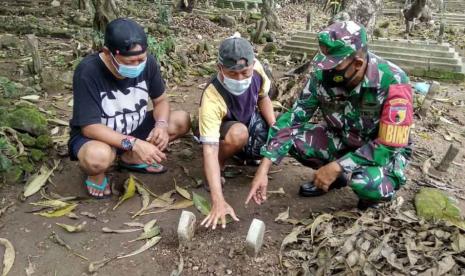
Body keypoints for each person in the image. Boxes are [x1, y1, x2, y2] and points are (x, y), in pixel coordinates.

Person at [247, 21, 413, 210]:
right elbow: (294, 118)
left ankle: (374, 197)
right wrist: (264, 166)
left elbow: (389, 145)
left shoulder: (394, 81)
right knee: (293, 139)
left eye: (334, 65)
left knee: (366, 184)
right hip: (344, 139)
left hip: (380, 153)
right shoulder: (322, 76)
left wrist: (336, 166)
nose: (326, 71)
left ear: (357, 64)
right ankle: (335, 179)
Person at [68, 18, 190, 198]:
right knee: (96, 158)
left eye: (140, 59)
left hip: (134, 128)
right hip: (99, 137)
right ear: (108, 53)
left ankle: (130, 158)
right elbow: (90, 127)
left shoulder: (148, 64)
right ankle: (96, 174)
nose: (136, 66)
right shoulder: (88, 72)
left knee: (180, 120)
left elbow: (161, 101)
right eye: (129, 62)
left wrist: (161, 125)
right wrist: (134, 143)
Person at [198, 35, 276, 229]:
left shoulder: (258, 70)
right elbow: (209, 148)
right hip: (225, 129)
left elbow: (263, 97)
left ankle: (243, 153)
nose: (240, 78)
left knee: (273, 132)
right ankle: (219, 166)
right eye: (232, 74)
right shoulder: (212, 96)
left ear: (252, 64)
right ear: (219, 68)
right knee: (238, 134)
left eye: (244, 72)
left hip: (247, 118)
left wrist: (274, 125)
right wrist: (218, 200)